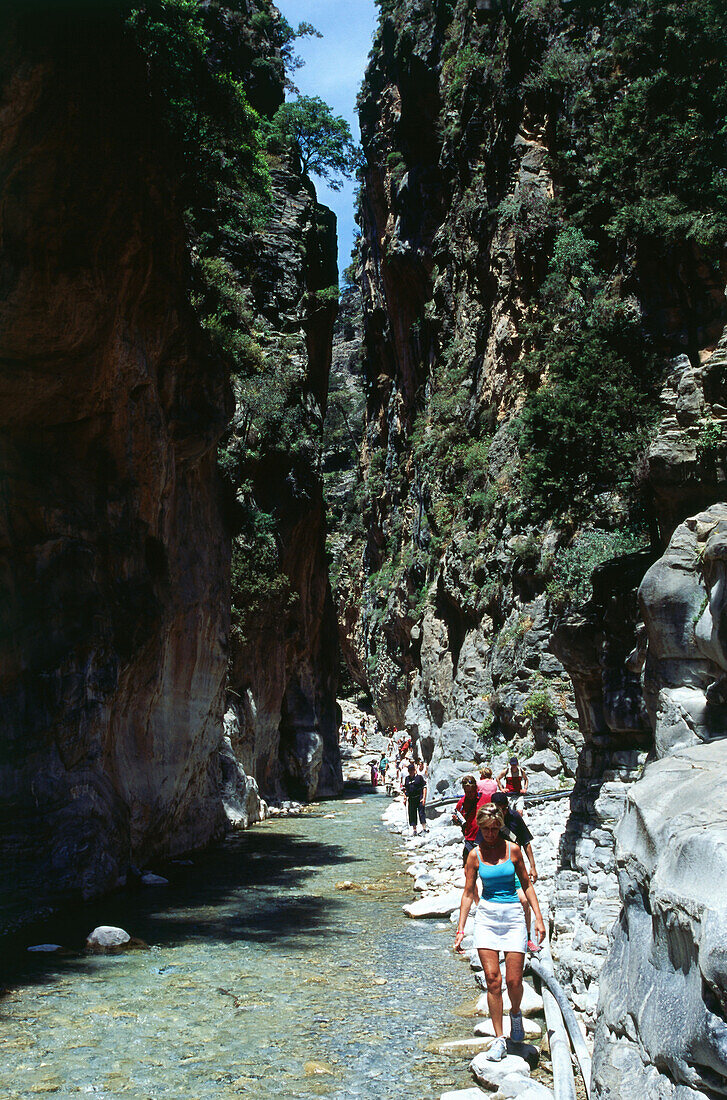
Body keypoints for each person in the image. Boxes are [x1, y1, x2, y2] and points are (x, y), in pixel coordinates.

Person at [454, 804, 545, 1061]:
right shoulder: (475, 856)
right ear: (480, 829)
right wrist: (461, 929)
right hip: (487, 917)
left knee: (514, 981)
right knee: (493, 980)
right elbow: (468, 893)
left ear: (501, 827)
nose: (491, 834)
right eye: (486, 830)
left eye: (495, 829)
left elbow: (526, 885)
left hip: (514, 917)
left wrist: (538, 919)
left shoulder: (513, 850)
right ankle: (498, 1039)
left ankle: (515, 1014)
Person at [491, 791, 540, 952]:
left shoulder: (515, 818)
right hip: (496, 868)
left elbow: (526, 842)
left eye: (504, 809)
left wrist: (532, 866)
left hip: (514, 865)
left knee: (524, 901)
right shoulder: (489, 820)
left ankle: (527, 938)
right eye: (499, 809)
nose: (502, 813)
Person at [452, 775, 486, 866]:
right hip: (469, 839)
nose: (469, 794)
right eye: (467, 792)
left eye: (471, 792)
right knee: (468, 867)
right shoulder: (461, 803)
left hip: (485, 839)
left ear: (476, 788)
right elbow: (459, 820)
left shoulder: (485, 799)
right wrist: (456, 821)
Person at [403, 762, 426, 835]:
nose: (411, 771)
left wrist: (424, 798)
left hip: (419, 798)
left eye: (412, 770)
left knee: (421, 813)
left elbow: (424, 787)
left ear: (414, 770)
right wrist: (405, 798)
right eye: (410, 770)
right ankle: (414, 830)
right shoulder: (407, 779)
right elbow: (405, 789)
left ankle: (424, 828)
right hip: (411, 799)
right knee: (412, 814)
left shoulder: (419, 777)